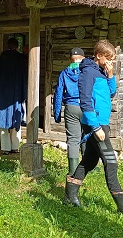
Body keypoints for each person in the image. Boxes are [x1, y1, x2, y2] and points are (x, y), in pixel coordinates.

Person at [63, 39, 123, 223]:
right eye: (109, 59)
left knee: (89, 161)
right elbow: (84, 101)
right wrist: (96, 127)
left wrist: (110, 75)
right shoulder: (87, 73)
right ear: (99, 56)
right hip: (95, 125)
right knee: (111, 162)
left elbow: (111, 93)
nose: (111, 62)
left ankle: (70, 195)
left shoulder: (100, 71)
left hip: (101, 123)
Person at [0, 37, 27, 155]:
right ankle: (15, 146)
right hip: (16, 91)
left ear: (8, 45)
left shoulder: (3, 56)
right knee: (16, 120)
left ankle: (5, 148)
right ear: (17, 46)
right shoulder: (19, 58)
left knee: (2, 119)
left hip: (3, 91)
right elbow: (23, 75)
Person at [53, 47, 86, 176]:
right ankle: (87, 166)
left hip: (71, 107)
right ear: (83, 58)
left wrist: (57, 114)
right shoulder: (86, 72)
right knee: (87, 136)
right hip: (86, 106)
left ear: (70, 59)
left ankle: (73, 170)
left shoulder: (64, 73)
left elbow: (58, 93)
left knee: (73, 139)